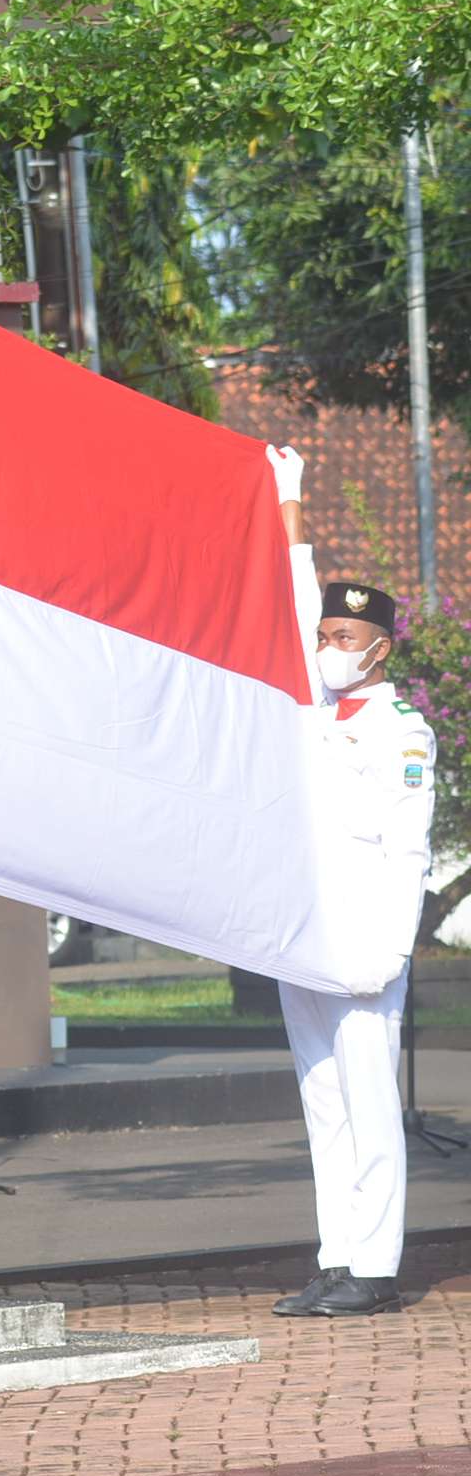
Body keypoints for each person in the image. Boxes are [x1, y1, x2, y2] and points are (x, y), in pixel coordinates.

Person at [267, 443, 430, 1319]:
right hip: (309, 933)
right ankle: (336, 1255)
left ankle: (376, 1267)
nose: (327, 648)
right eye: (326, 636)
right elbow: (299, 597)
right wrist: (289, 502)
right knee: (323, 1102)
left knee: (370, 1104)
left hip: (366, 940)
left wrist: (391, 950)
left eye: (344, 639)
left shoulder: (401, 734)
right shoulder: (322, 707)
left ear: (378, 650)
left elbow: (406, 851)